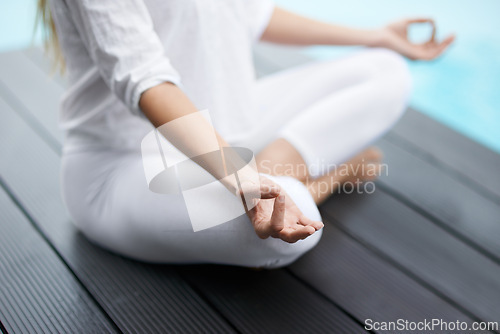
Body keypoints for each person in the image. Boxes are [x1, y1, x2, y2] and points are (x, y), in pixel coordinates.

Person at [38, 0, 454, 268]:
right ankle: (331, 173)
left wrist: (375, 35)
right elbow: (148, 84)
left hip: (227, 130)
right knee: (288, 228)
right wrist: (247, 183)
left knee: (385, 69)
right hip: (125, 166)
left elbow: (254, 13)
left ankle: (271, 176)